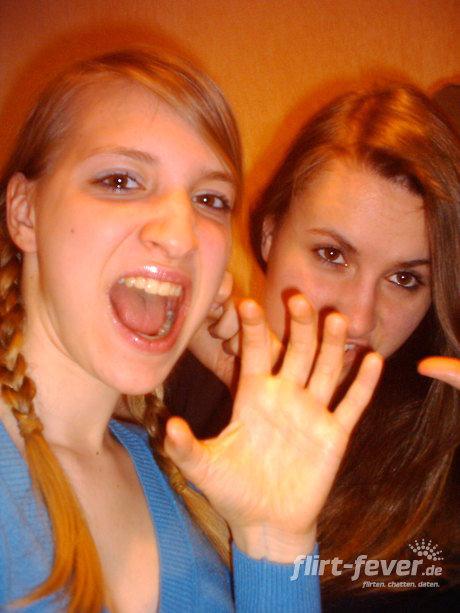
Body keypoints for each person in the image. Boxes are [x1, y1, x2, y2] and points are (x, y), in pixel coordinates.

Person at [0, 48, 384, 612]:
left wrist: (276, 541)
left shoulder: (180, 485)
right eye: (121, 180)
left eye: (210, 199)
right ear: (24, 211)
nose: (181, 235)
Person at [171, 83, 460, 607]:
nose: (358, 318)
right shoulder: (165, 384)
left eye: (405, 279)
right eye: (332, 254)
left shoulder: (442, 457)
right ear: (269, 233)